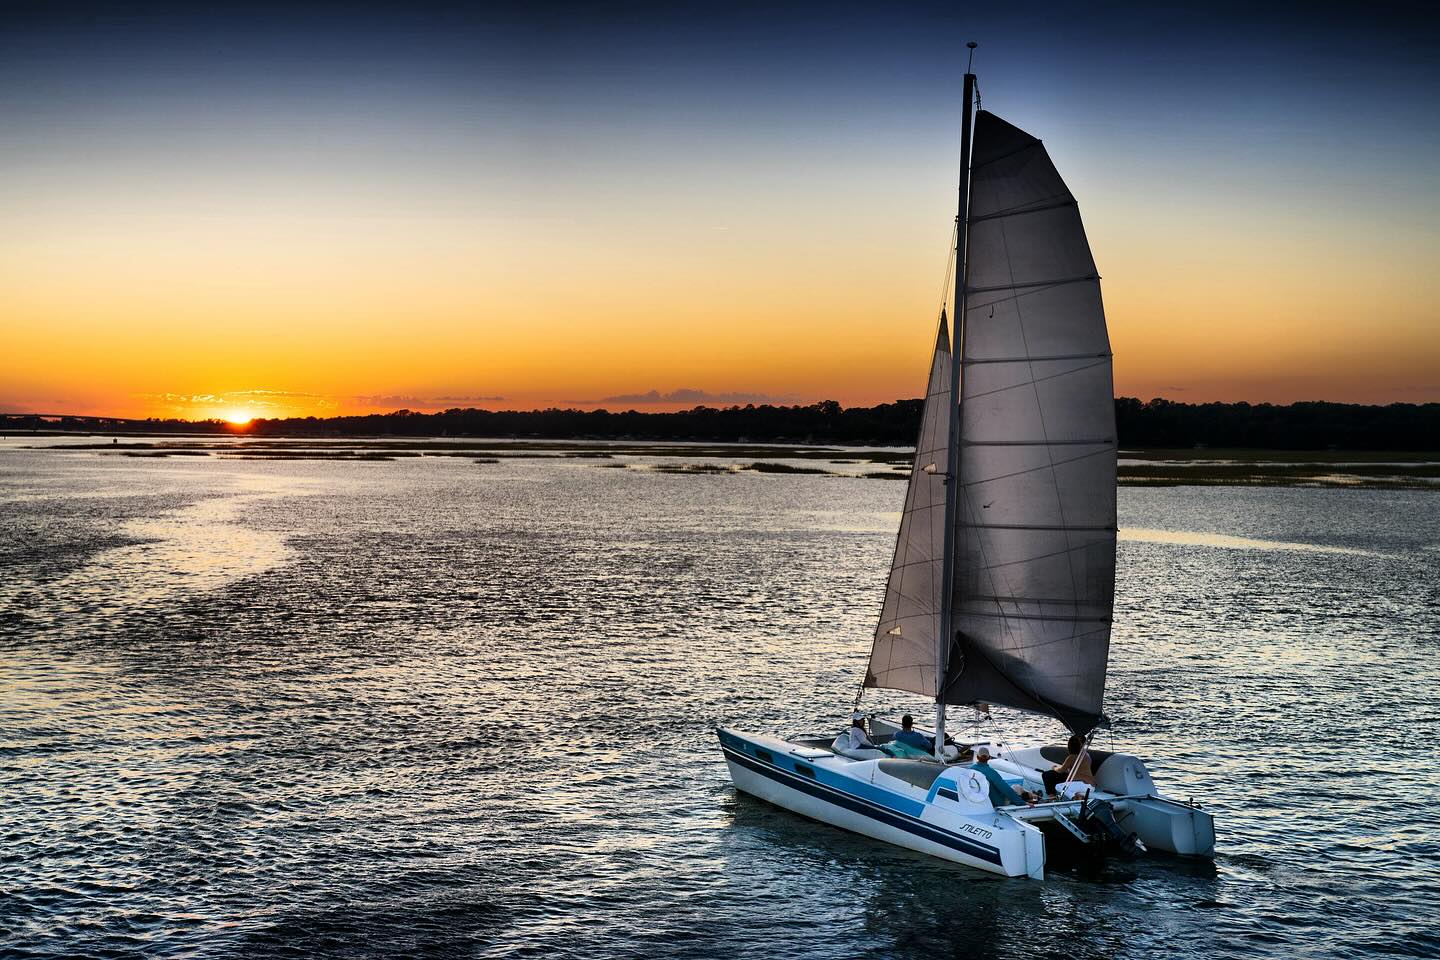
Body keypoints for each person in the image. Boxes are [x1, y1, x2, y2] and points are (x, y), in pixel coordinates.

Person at [971, 746, 1038, 806]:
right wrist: (1021, 803)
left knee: (1015, 788)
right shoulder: (991, 772)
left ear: (977, 757)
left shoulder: (970, 769)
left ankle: (1031, 795)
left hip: (979, 800)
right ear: (989, 757)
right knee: (1017, 787)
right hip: (997, 802)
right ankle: (1034, 796)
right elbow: (1006, 790)